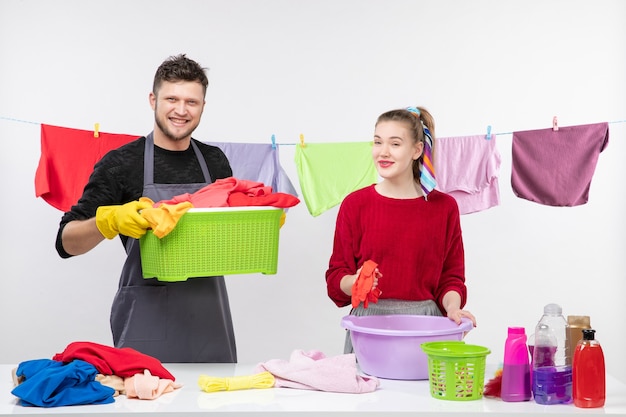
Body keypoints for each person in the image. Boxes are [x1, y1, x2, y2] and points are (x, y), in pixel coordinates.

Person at [55, 54, 237, 363]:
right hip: (147, 320)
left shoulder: (215, 161)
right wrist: (108, 220)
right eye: (172, 99)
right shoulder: (122, 163)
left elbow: (227, 238)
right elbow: (65, 243)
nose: (181, 110)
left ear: (203, 106)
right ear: (153, 99)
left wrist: (257, 219)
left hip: (210, 321)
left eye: (191, 102)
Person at [325, 106, 477, 353]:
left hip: (427, 327)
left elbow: (451, 278)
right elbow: (336, 276)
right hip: (368, 327)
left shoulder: (444, 208)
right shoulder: (355, 205)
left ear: (417, 150)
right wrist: (355, 282)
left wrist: (452, 309)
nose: (383, 152)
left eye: (395, 144)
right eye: (377, 142)